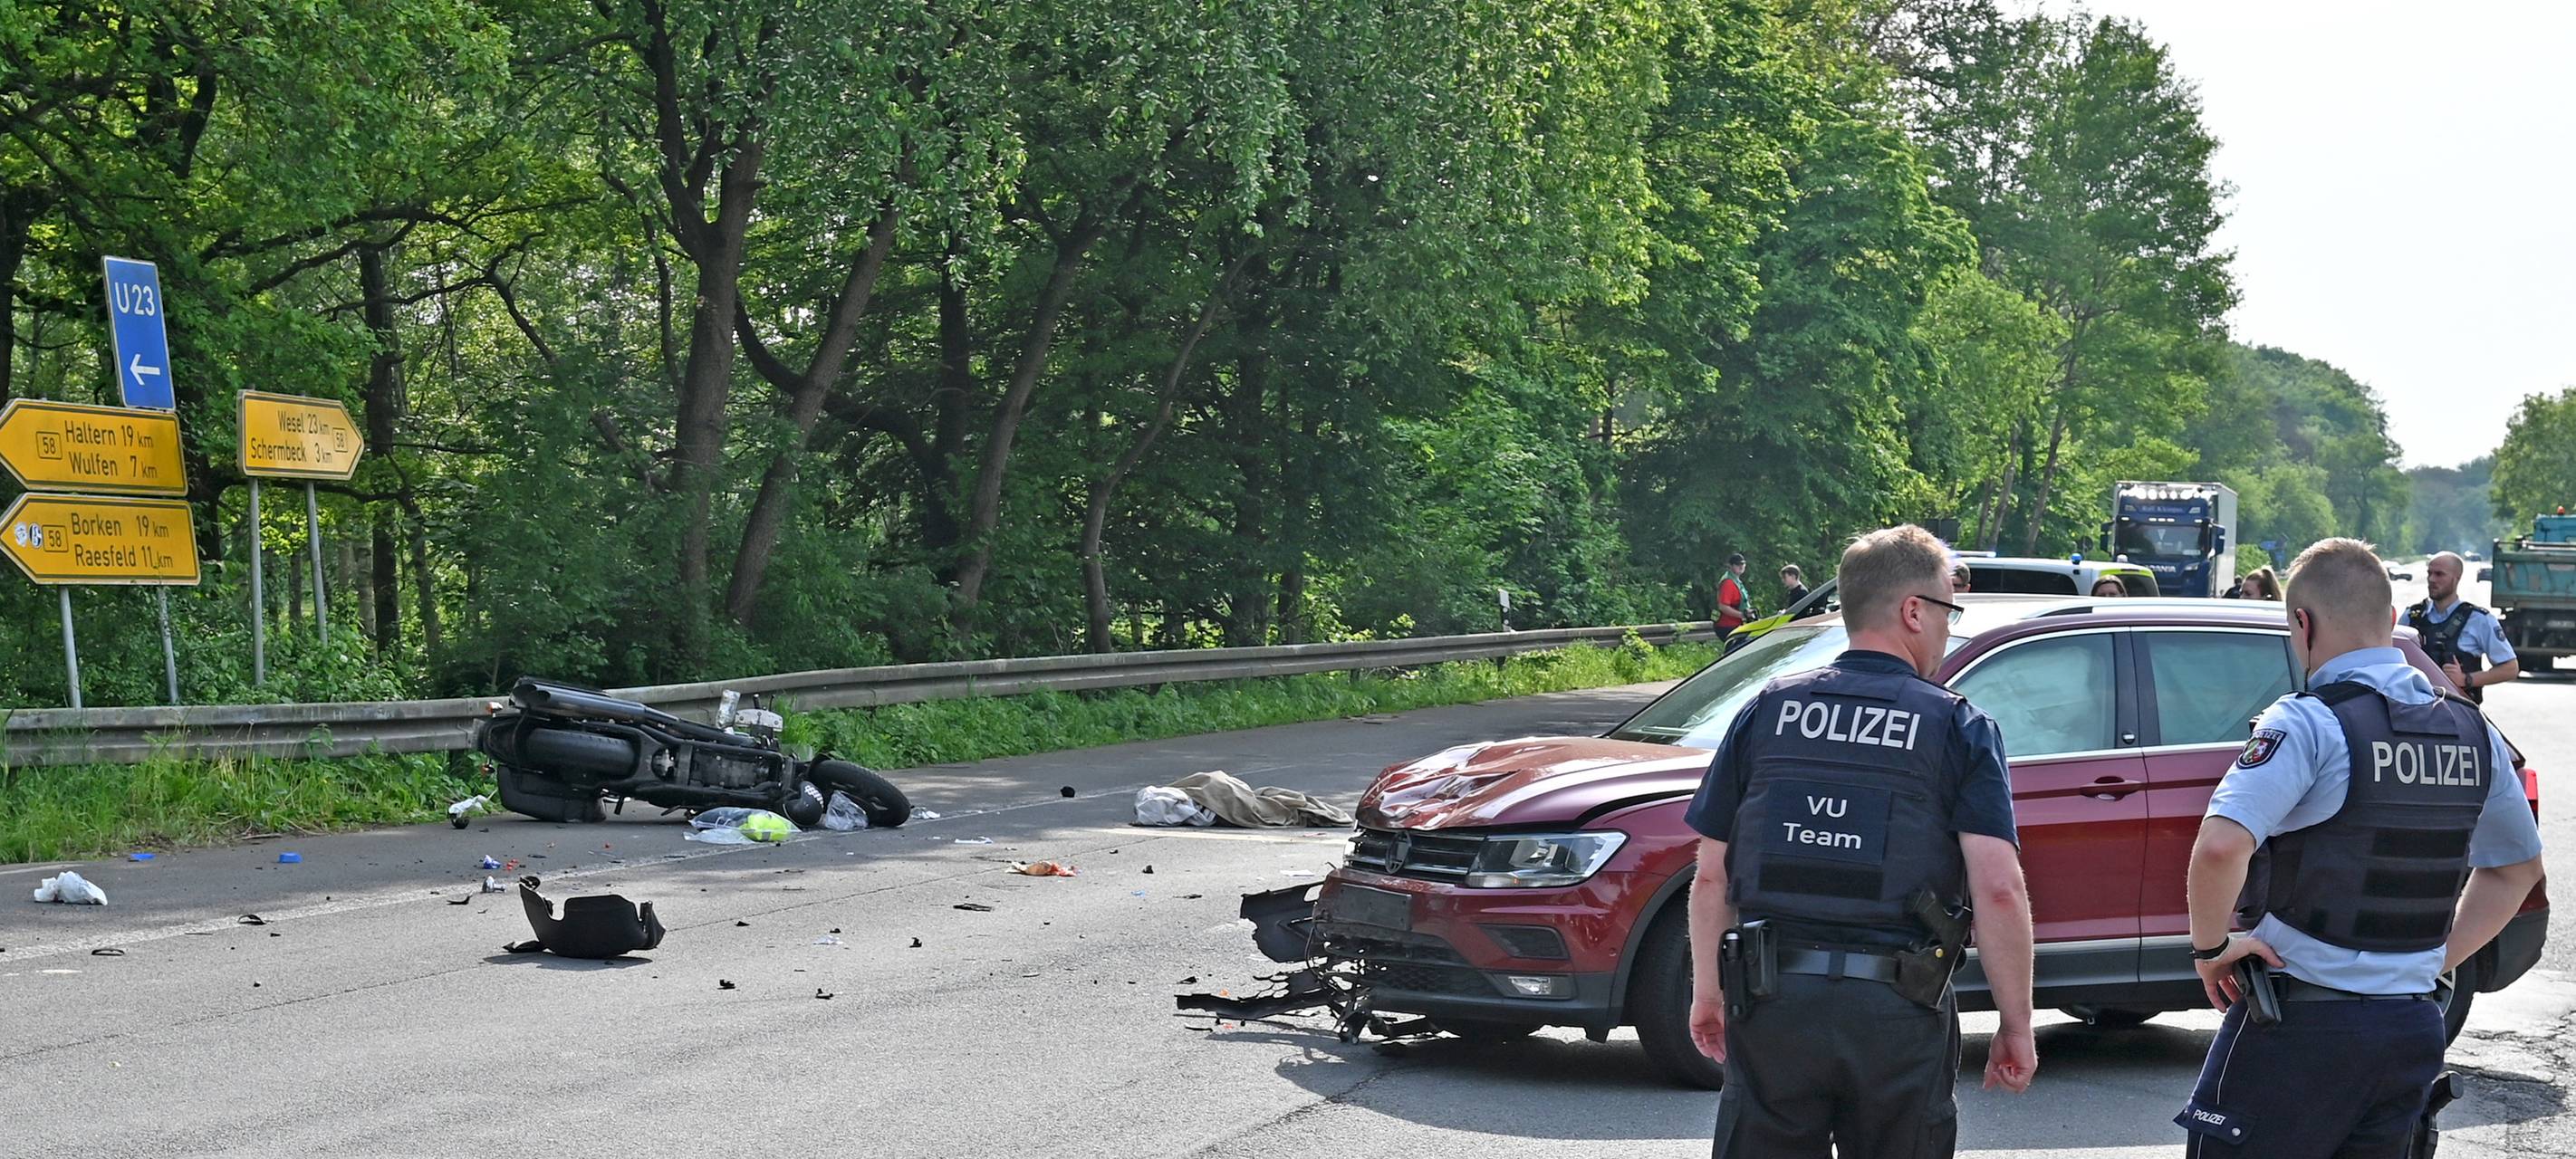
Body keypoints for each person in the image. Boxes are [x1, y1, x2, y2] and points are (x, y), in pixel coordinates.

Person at [2176, 539, 2544, 1157]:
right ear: (2393, 621)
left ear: (2302, 622)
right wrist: (2431, 958)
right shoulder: (2472, 729)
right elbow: (2516, 870)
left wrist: (2211, 948)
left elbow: (2219, 848)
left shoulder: (2307, 722)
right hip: (2410, 1029)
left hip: (2300, 1029)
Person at [1685, 524, 2038, 1158]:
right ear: (1913, 611)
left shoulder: (1767, 710)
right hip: (1896, 1017)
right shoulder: (1958, 726)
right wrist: (2016, 1024)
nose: (1947, 630)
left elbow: (1712, 876)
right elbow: (1999, 889)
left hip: (1771, 1006)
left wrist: (1708, 992)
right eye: (1947, 613)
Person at [2407, 551, 2518, 704]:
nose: (2432, 579)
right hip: (2415, 709)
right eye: (2429, 573)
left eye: (2439, 574)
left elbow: (2510, 668)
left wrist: (2467, 679)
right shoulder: (2412, 616)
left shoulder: (2478, 620)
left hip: (2459, 712)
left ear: (2456, 578)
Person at [1716, 552, 1751, 634]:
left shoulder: (1736, 581)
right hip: (1727, 626)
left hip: (1736, 624)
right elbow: (1723, 607)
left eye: (1743, 564)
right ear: (1730, 566)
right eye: (1737, 564)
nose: (1741, 566)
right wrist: (1743, 615)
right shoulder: (1728, 582)